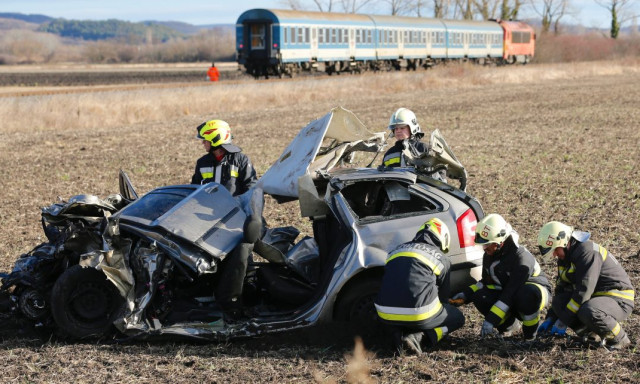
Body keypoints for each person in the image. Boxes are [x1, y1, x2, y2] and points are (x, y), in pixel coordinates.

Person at [451, 214, 551, 341]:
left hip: (532, 293)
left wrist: (490, 321)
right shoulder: (489, 255)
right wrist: (466, 294)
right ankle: (508, 327)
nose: (484, 247)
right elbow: (486, 283)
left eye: (487, 243)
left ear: (500, 242)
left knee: (526, 295)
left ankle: (531, 336)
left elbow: (511, 292)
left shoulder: (521, 258)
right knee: (480, 296)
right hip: (509, 294)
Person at [536, 221, 634, 349]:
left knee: (589, 310)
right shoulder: (565, 258)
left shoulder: (587, 252)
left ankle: (620, 339)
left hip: (618, 298)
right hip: (594, 298)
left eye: (555, 250)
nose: (554, 254)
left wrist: (563, 320)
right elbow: (562, 289)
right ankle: (591, 335)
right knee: (559, 302)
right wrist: (551, 317)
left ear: (564, 243)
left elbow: (584, 291)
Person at [375, 218, 465, 355]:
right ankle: (420, 338)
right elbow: (443, 297)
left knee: (402, 314)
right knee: (457, 318)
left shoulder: (395, 251)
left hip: (385, 313)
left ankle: (395, 334)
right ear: (443, 240)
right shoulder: (441, 258)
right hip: (419, 314)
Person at [192, 119, 258, 196]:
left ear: (215, 139)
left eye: (205, 140)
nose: (203, 142)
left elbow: (251, 189)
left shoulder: (241, 160)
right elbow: (194, 190)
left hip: (234, 207)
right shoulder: (202, 162)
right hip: (208, 207)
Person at [381, 108, 446, 181]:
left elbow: (440, 173)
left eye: (402, 128)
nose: (398, 131)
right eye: (396, 129)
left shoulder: (424, 149)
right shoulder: (389, 154)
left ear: (412, 128)